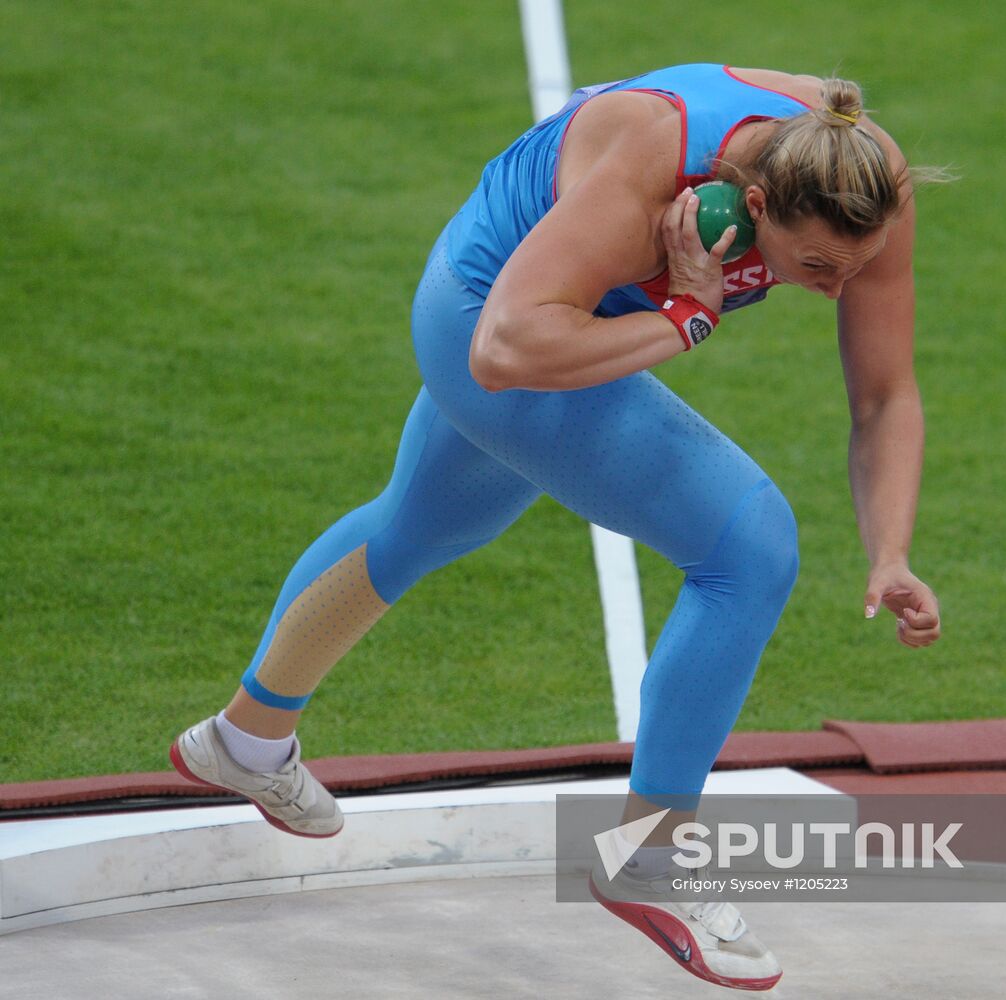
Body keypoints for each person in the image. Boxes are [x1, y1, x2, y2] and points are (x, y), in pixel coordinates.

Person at [171, 63, 942, 991]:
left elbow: (887, 395)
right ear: (757, 199)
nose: (832, 291)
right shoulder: (654, 163)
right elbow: (505, 350)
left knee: (423, 524)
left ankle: (244, 740)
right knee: (750, 546)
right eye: (815, 266)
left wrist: (889, 551)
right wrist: (690, 315)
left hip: (551, 310)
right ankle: (653, 856)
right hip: (490, 318)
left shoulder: (863, 175)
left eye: (850, 269)